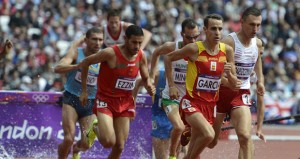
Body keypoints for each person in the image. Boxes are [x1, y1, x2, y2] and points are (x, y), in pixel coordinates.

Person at [164, 14, 237, 159]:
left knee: (195, 151)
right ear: (205, 30)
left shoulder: (227, 51)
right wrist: (171, 85)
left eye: (220, 29)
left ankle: (188, 140)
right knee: (209, 135)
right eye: (213, 28)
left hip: (210, 106)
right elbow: (168, 57)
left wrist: (230, 75)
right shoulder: (194, 49)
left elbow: (234, 85)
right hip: (191, 102)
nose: (217, 32)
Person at [79, 25, 155, 159]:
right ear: (125, 39)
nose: (137, 46)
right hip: (105, 100)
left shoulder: (141, 55)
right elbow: (85, 63)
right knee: (108, 142)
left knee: (119, 146)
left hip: (125, 102)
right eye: (134, 42)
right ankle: (96, 128)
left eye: (140, 43)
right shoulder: (110, 53)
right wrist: (84, 91)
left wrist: (149, 84)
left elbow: (145, 77)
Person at [208, 7, 266, 159]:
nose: (255, 29)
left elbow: (258, 66)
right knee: (211, 141)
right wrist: (229, 81)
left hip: (241, 94)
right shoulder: (229, 42)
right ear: (242, 22)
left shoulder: (258, 44)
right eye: (252, 24)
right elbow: (214, 74)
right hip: (221, 94)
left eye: (258, 25)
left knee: (245, 137)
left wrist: (260, 82)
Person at [149, 18, 200, 159]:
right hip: (171, 97)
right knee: (179, 127)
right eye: (189, 37)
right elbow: (156, 53)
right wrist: (151, 76)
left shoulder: (199, 50)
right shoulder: (172, 47)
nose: (193, 41)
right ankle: (171, 156)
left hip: (188, 100)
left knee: (184, 139)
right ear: (182, 34)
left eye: (196, 37)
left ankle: (175, 154)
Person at [54, 27, 103, 159]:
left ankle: (76, 150)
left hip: (90, 103)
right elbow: (57, 68)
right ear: (86, 40)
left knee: (87, 143)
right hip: (71, 99)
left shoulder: (104, 58)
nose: (97, 43)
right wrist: (77, 66)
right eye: (94, 39)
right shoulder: (76, 53)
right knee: (68, 138)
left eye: (100, 40)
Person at [150, 69, 173, 159]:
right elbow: (140, 81)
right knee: (161, 156)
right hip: (157, 116)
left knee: (170, 154)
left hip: (172, 118)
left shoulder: (180, 77)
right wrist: (134, 98)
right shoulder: (158, 75)